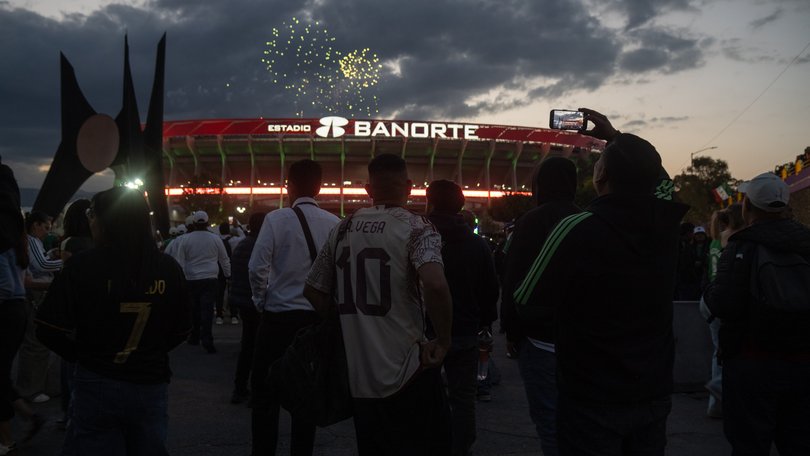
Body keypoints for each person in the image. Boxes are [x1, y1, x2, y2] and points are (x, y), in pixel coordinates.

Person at [512, 108, 688, 456]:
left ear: (602, 173)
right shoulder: (666, 223)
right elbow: (664, 185)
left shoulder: (577, 226)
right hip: (652, 386)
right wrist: (615, 137)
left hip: (591, 390)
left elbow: (526, 297)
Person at [304, 153, 453, 455]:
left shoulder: (342, 228)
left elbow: (313, 290)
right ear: (409, 187)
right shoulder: (417, 228)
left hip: (359, 375)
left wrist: (346, 322)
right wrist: (445, 338)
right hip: (407, 369)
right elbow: (435, 283)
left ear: (368, 190)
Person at [35, 186, 192, 456]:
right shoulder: (168, 268)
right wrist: (151, 351)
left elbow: (47, 327)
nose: (90, 220)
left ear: (108, 219)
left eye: (92, 213)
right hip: (150, 382)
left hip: (96, 379)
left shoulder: (83, 265)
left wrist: (81, 354)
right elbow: (183, 328)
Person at [704, 172, 810, 455]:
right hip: (803, 362)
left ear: (748, 207)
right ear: (786, 207)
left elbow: (723, 304)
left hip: (751, 364)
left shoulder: (741, 247)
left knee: (749, 445)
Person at [248, 159, 339, 456]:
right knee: (306, 396)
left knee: (265, 396)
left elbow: (257, 267)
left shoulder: (276, 219)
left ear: (288, 185)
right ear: (320, 187)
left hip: (277, 319)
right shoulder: (334, 224)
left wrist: (262, 302)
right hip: (313, 322)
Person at [501, 156, 581, 456]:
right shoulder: (585, 218)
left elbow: (513, 279)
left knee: (549, 422)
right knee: (577, 419)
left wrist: (510, 330)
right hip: (577, 337)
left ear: (538, 185)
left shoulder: (530, 222)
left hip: (538, 339)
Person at [426, 179, 499, 456]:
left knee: (422, 396)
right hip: (465, 329)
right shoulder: (477, 244)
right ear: (461, 204)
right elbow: (490, 289)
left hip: (423, 332)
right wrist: (485, 323)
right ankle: (461, 447)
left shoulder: (415, 236)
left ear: (429, 202)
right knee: (464, 397)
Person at [1, 160, 43, 454]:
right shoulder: (18, 235)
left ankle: (7, 438)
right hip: (16, 310)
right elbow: (24, 278)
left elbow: (4, 285)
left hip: (3, 309)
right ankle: (26, 419)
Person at [56, 198, 94, 429]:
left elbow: (66, 276)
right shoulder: (98, 242)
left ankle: (69, 413)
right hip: (97, 305)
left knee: (69, 361)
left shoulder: (69, 243)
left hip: (74, 308)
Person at [17, 211, 62, 404]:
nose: (47, 232)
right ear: (35, 225)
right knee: (35, 343)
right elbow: (42, 264)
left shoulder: (32, 242)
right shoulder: (32, 241)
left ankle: (32, 386)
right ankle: (31, 390)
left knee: (36, 342)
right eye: (45, 227)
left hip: (33, 292)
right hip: (35, 294)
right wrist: (67, 261)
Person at [174, 210, 231, 353]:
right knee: (207, 310)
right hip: (210, 278)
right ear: (207, 223)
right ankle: (207, 339)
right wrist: (228, 274)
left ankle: (194, 336)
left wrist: (180, 279)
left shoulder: (186, 239)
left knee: (194, 309)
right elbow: (224, 259)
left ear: (193, 223)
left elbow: (180, 260)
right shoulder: (215, 238)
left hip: (191, 278)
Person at [228, 211, 267, 405]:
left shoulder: (242, 244)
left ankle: (239, 388)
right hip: (257, 302)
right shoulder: (262, 246)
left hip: (243, 301)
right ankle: (257, 389)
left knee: (247, 345)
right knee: (259, 347)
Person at [215, 222, 235, 325]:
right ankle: (234, 315)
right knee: (232, 293)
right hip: (233, 269)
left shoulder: (216, 240)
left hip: (218, 270)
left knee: (219, 293)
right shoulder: (235, 240)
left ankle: (219, 315)